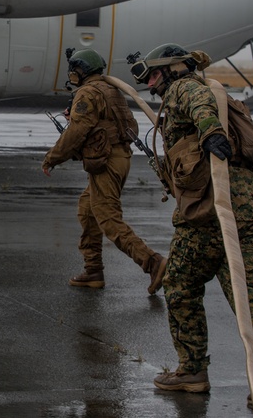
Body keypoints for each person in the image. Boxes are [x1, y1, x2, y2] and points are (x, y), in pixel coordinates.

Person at [131, 43, 253, 406]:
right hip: (246, 209)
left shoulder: (186, 88)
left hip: (209, 212)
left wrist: (209, 133)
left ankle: (191, 369)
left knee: (179, 284)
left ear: (174, 69)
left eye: (156, 75)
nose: (152, 85)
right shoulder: (213, 90)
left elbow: (200, 107)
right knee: (248, 289)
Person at [42, 48, 167, 294]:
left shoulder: (88, 92)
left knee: (108, 219)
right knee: (88, 210)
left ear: (82, 71)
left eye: (74, 70)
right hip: (119, 158)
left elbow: (76, 132)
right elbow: (125, 124)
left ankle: (153, 262)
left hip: (107, 162)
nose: (72, 75)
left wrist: (52, 159)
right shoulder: (110, 90)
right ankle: (93, 271)